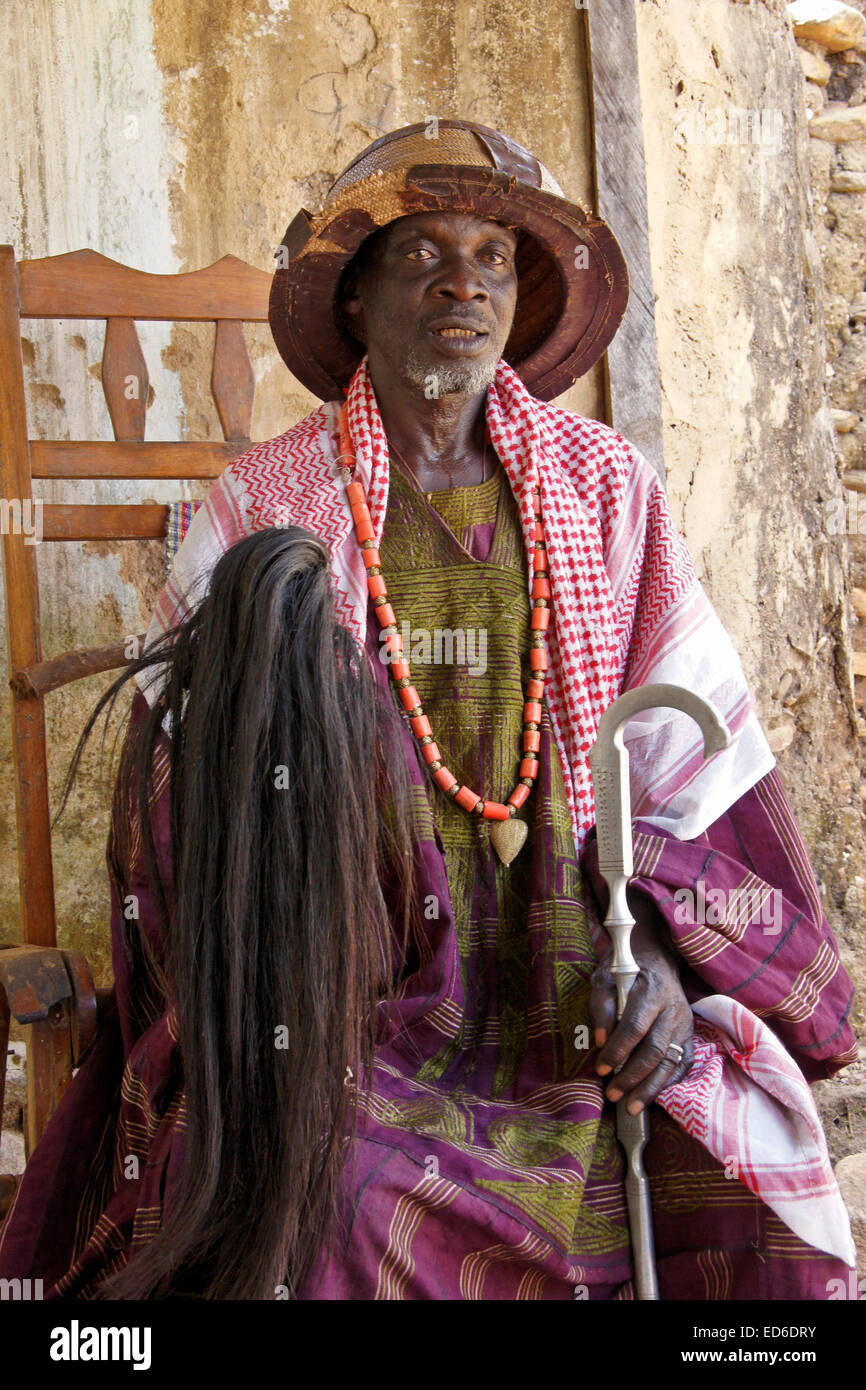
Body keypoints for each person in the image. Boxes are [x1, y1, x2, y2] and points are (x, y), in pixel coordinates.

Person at [0, 119, 858, 1300]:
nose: (463, 285)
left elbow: (691, 784)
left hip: (570, 1002)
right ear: (355, 301)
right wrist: (316, 939)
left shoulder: (606, 489)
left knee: (713, 1168)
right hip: (347, 1015)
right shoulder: (264, 509)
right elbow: (177, 817)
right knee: (331, 1191)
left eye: (492, 258)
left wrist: (656, 965)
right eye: (421, 258)